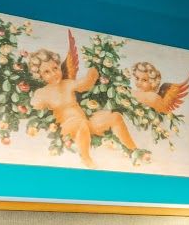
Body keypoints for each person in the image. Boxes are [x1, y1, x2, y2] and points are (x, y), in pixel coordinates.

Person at [27, 31, 139, 169]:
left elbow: (85, 84)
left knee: (114, 116)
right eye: (46, 72)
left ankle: (134, 150)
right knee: (81, 124)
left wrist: (93, 72)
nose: (54, 73)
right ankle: (86, 158)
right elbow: (33, 110)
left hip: (85, 122)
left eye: (55, 68)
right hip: (66, 127)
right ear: (39, 75)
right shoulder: (41, 93)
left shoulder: (67, 84)